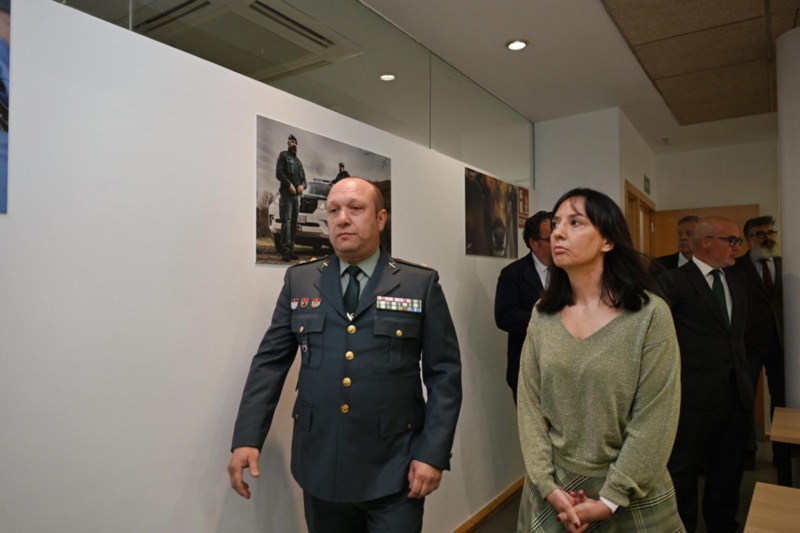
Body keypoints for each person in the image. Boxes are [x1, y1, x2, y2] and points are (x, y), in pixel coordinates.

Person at [228, 177, 462, 533]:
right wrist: (247, 436)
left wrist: (432, 454)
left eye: (355, 209)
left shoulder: (419, 284)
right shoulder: (301, 281)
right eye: (334, 210)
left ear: (381, 219)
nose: (341, 218)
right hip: (320, 463)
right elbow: (270, 363)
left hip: (395, 465)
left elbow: (444, 374)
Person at [517, 188, 683, 533]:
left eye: (575, 222)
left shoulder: (649, 315)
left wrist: (611, 498)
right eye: (556, 223)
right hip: (554, 486)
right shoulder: (542, 314)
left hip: (631, 485)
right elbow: (530, 405)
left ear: (608, 240)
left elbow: (656, 416)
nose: (558, 232)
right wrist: (546, 484)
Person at [660, 217, 753, 533]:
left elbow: (741, 335)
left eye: (737, 241)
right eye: (731, 240)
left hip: (736, 395)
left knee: (727, 474)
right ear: (705, 243)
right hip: (691, 397)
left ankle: (723, 527)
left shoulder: (738, 281)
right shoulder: (673, 282)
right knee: (682, 474)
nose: (736, 247)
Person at [732, 216, 787, 480]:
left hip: (782, 344)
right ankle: (746, 452)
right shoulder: (736, 267)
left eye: (770, 232)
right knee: (745, 401)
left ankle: (783, 455)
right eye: (760, 233)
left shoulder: (785, 262)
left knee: (783, 401)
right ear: (748, 238)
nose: (767, 237)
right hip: (748, 345)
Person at [494, 210, 551, 404]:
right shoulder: (513, 274)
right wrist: (549, 320)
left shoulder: (569, 271)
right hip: (527, 368)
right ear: (534, 243)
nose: (560, 243)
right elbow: (504, 316)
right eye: (552, 238)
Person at [275, 134, 307, 262]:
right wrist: (289, 184)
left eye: (295, 142)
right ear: (288, 143)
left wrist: (302, 186)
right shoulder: (283, 156)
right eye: (291, 141)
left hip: (296, 198)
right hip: (286, 196)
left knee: (294, 223)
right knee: (286, 222)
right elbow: (279, 173)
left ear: (297, 145)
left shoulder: (299, 163)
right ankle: (285, 252)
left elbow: (305, 180)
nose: (293, 144)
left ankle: (291, 250)